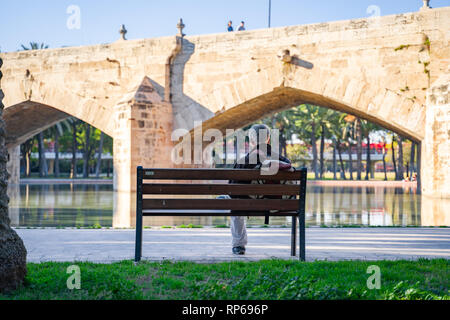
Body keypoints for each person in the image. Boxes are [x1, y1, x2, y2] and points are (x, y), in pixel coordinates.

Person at [229, 124, 291, 255]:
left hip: (248, 206)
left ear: (251, 140)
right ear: (268, 139)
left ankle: (239, 245)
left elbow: (232, 190)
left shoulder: (243, 162)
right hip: (279, 205)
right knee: (235, 201)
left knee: (233, 203)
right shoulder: (282, 160)